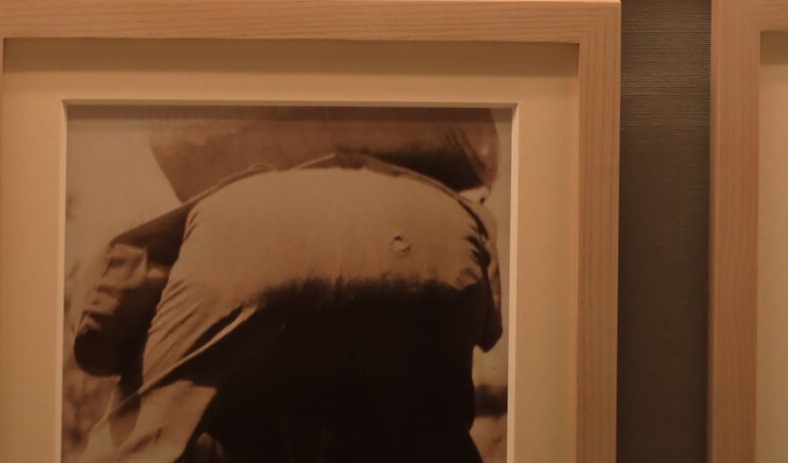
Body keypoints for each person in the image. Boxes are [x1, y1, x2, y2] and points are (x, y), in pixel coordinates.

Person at [70, 123, 503, 463]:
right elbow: (487, 327)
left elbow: (102, 317)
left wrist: (113, 358)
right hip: (441, 242)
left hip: (250, 251)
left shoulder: (213, 218)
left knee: (134, 446)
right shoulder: (428, 196)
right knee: (433, 444)